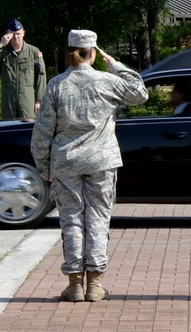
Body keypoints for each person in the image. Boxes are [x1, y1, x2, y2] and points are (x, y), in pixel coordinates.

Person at [31, 29, 148, 302]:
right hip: (102, 160)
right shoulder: (106, 81)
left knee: (71, 220)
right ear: (93, 53)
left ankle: (74, 285)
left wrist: (42, 164)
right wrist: (115, 64)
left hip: (65, 162)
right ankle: (95, 284)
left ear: (69, 52)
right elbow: (140, 93)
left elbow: (42, 132)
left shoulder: (57, 85)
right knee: (98, 218)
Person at [0, 19, 46, 119]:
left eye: (18, 33)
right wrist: (1, 44)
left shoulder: (33, 52)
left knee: (27, 130)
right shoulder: (2, 52)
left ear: (23, 33)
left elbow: (41, 75)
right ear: (7, 34)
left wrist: (39, 100)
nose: (16, 37)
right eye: (12, 34)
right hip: (8, 101)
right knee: (9, 129)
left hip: (27, 101)